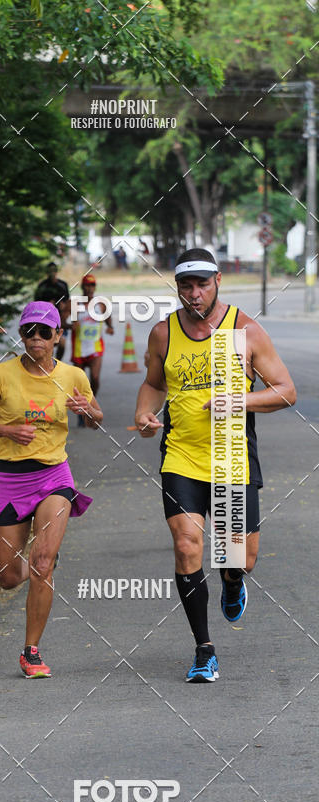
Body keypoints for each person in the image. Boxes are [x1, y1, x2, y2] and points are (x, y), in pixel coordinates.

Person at [133, 248, 296, 683]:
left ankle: (231, 580)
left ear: (218, 281)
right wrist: (145, 416)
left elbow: (285, 391)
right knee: (187, 545)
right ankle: (204, 649)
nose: (194, 294)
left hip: (231, 456)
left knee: (239, 558)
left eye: (202, 284)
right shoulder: (163, 334)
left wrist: (238, 399)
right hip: (181, 455)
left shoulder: (243, 330)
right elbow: (153, 384)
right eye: (185, 286)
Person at [0, 301, 103, 678]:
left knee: (42, 563)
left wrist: (87, 413)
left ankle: (31, 651)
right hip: (9, 478)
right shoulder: (0, 375)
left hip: (53, 477)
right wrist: (7, 430)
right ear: (21, 334)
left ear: (59, 336)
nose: (37, 339)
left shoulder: (74, 376)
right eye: (30, 331)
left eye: (46, 332)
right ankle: (44, 559)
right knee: (8, 577)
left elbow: (97, 418)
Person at [71, 273, 114, 426]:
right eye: (87, 285)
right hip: (79, 349)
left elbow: (108, 317)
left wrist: (110, 327)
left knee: (95, 378)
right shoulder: (74, 304)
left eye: (92, 285)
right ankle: (81, 410)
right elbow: (60, 322)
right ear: (82, 287)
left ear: (95, 287)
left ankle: (89, 403)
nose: (90, 288)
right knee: (80, 383)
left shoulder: (101, 304)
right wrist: (70, 325)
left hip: (96, 347)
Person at [34, 262, 71, 360]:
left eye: (54, 271)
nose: (52, 273)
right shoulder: (42, 286)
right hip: (46, 320)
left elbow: (67, 301)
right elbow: (36, 305)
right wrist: (47, 305)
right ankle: (49, 364)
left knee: (62, 344)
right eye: (50, 271)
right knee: (48, 346)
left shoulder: (63, 285)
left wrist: (64, 307)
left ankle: (58, 362)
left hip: (60, 319)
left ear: (56, 272)